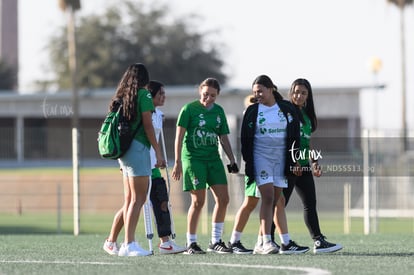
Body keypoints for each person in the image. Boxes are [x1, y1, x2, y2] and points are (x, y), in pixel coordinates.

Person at [228, 95, 308, 255]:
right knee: (251, 202)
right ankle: (235, 241)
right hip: (258, 164)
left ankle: (273, 241)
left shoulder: (279, 110)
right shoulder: (253, 113)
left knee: (277, 201)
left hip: (274, 164)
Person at [102, 63, 165, 257]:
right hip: (138, 149)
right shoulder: (144, 95)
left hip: (125, 152)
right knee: (139, 199)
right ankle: (129, 244)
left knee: (130, 199)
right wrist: (158, 150)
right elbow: (147, 125)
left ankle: (123, 243)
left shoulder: (121, 97)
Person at [171, 77, 238, 254]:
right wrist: (177, 161)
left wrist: (232, 159)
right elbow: (178, 137)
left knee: (223, 199)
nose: (208, 98)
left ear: (218, 96)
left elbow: (223, 137)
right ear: (200, 91)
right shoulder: (189, 109)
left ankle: (215, 241)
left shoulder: (219, 112)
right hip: (194, 159)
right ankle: (191, 243)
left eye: (213, 96)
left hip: (213, 159)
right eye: (205, 94)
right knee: (198, 201)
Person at [283, 78, 343, 253]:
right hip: (289, 166)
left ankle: (318, 241)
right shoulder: (286, 112)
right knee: (280, 205)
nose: (298, 95)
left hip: (304, 165)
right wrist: (293, 162)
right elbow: (286, 142)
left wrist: (315, 162)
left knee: (310, 203)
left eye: (303, 92)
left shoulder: (308, 117)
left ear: (308, 96)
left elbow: (307, 143)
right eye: (296, 91)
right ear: (291, 92)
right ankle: (267, 240)